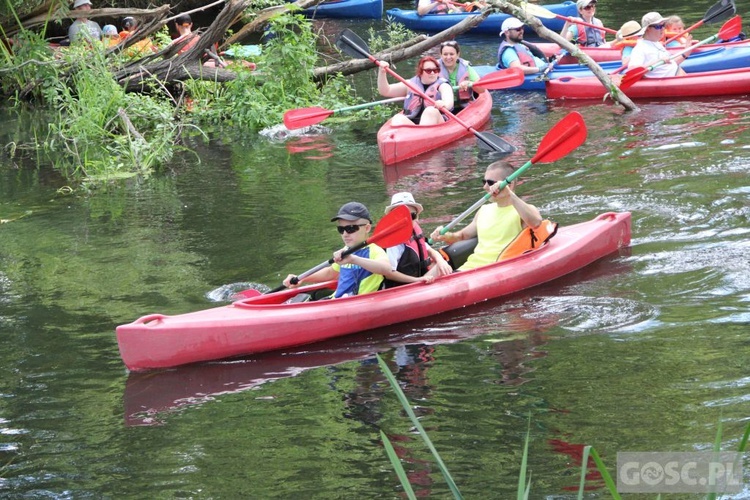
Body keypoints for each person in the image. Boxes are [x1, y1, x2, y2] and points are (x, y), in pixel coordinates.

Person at [429, 160, 543, 272]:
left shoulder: (523, 210)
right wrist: (445, 236)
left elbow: (536, 222)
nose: (485, 187)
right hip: (469, 269)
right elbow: (462, 236)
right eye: (484, 182)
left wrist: (509, 194)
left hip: (497, 270)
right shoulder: (484, 210)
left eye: (491, 183)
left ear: (510, 184)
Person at [282, 202, 391, 298]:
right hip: (338, 300)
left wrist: (354, 259)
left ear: (367, 228)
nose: (345, 234)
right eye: (341, 229)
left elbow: (386, 269)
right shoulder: (346, 250)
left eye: (351, 228)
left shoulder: (375, 250)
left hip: (359, 303)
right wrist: (302, 278)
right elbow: (331, 273)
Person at [381, 193, 453, 288]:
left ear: (417, 217)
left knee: (442, 264)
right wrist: (417, 280)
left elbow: (429, 250)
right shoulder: (393, 243)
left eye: (412, 216)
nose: (406, 219)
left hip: (419, 277)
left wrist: (440, 260)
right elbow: (389, 273)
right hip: (404, 287)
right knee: (441, 269)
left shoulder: (414, 231)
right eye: (400, 215)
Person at [377, 56, 454, 126]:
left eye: (435, 70)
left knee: (430, 111)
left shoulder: (443, 85)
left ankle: (423, 136)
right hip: (413, 125)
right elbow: (385, 91)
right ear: (420, 71)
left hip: (437, 121)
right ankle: (415, 137)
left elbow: (449, 100)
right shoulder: (410, 84)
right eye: (428, 70)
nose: (433, 73)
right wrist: (382, 72)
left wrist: (444, 104)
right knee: (398, 118)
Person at [628, 12, 693, 78]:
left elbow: (670, 63)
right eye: (658, 26)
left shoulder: (657, 44)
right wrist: (658, 61)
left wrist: (686, 53)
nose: (662, 29)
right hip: (671, 83)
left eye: (663, 25)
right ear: (648, 29)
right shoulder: (640, 48)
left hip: (678, 76)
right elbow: (632, 70)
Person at [437, 40, 486, 111]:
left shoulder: (466, 67)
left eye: (451, 54)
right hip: (442, 107)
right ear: (441, 55)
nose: (448, 57)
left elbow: (482, 90)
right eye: (445, 54)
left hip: (464, 107)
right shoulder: (433, 68)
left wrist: (469, 83)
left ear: (458, 54)